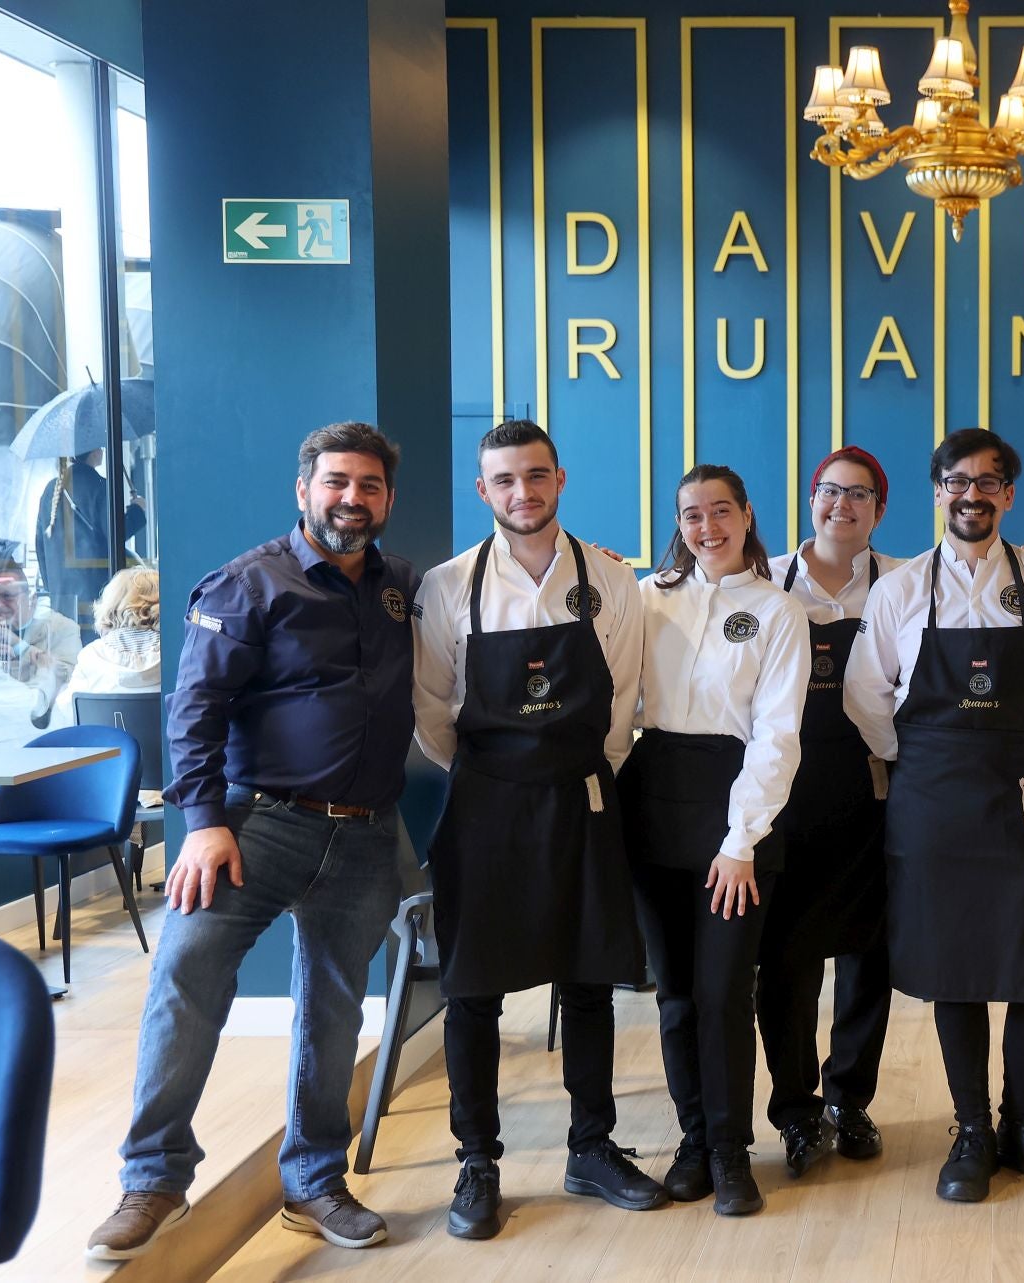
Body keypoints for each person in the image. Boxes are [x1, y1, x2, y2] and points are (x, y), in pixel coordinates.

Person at [88, 423, 416, 1260]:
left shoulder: (398, 588)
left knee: (336, 1010)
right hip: (255, 827)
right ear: (303, 488)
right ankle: (155, 1178)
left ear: (386, 497)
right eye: (337, 481)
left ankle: (313, 1180)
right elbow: (192, 710)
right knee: (187, 975)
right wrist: (201, 825)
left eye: (370, 485)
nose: (353, 497)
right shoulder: (249, 583)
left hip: (366, 834)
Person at [412, 420, 658, 1240]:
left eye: (537, 475)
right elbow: (431, 714)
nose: (524, 492)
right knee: (472, 990)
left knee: (589, 981)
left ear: (560, 479)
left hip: (583, 795)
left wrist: (575, 773)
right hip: (484, 804)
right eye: (506, 480)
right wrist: (497, 782)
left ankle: (591, 1145)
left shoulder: (611, 581)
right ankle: (477, 1159)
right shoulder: (450, 587)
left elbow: (622, 704)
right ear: (484, 491)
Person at [844, 427, 1024, 1204]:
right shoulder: (899, 589)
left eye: (989, 482)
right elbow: (865, 699)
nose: (972, 494)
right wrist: (923, 756)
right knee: (955, 966)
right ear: (938, 492)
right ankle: (972, 1128)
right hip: (932, 798)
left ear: (1009, 497)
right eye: (958, 481)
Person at [621, 464, 808, 1217]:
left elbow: (778, 734)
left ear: (747, 513)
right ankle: (694, 1139)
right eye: (692, 515)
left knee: (724, 988)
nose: (707, 527)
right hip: (653, 793)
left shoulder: (777, 610)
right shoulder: (648, 597)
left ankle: (732, 1149)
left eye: (721, 511)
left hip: (737, 808)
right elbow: (616, 695)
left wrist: (740, 840)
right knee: (673, 993)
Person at [758, 446, 902, 1177]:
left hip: (872, 788)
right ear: (810, 499)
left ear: (880, 509)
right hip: (782, 793)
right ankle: (796, 1107)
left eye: (858, 495)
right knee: (786, 956)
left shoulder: (904, 584)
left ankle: (851, 1097)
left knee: (867, 952)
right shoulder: (765, 578)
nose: (840, 506)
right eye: (828, 491)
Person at [35, 448, 148, 628]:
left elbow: (41, 548)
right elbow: (117, 533)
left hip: (61, 599)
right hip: (96, 598)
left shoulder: (51, 489)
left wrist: (53, 589)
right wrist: (138, 510)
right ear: (95, 452)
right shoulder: (99, 486)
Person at [52, 567, 161, 751]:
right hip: (174, 774)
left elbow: (67, 719)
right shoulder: (181, 655)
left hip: (105, 775)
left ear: (109, 606)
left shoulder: (91, 657)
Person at [0, 559, 81, 727]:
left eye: (7, 596)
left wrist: (19, 646)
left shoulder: (62, 628)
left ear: (31, 599)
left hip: (44, 725)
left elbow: (68, 675)